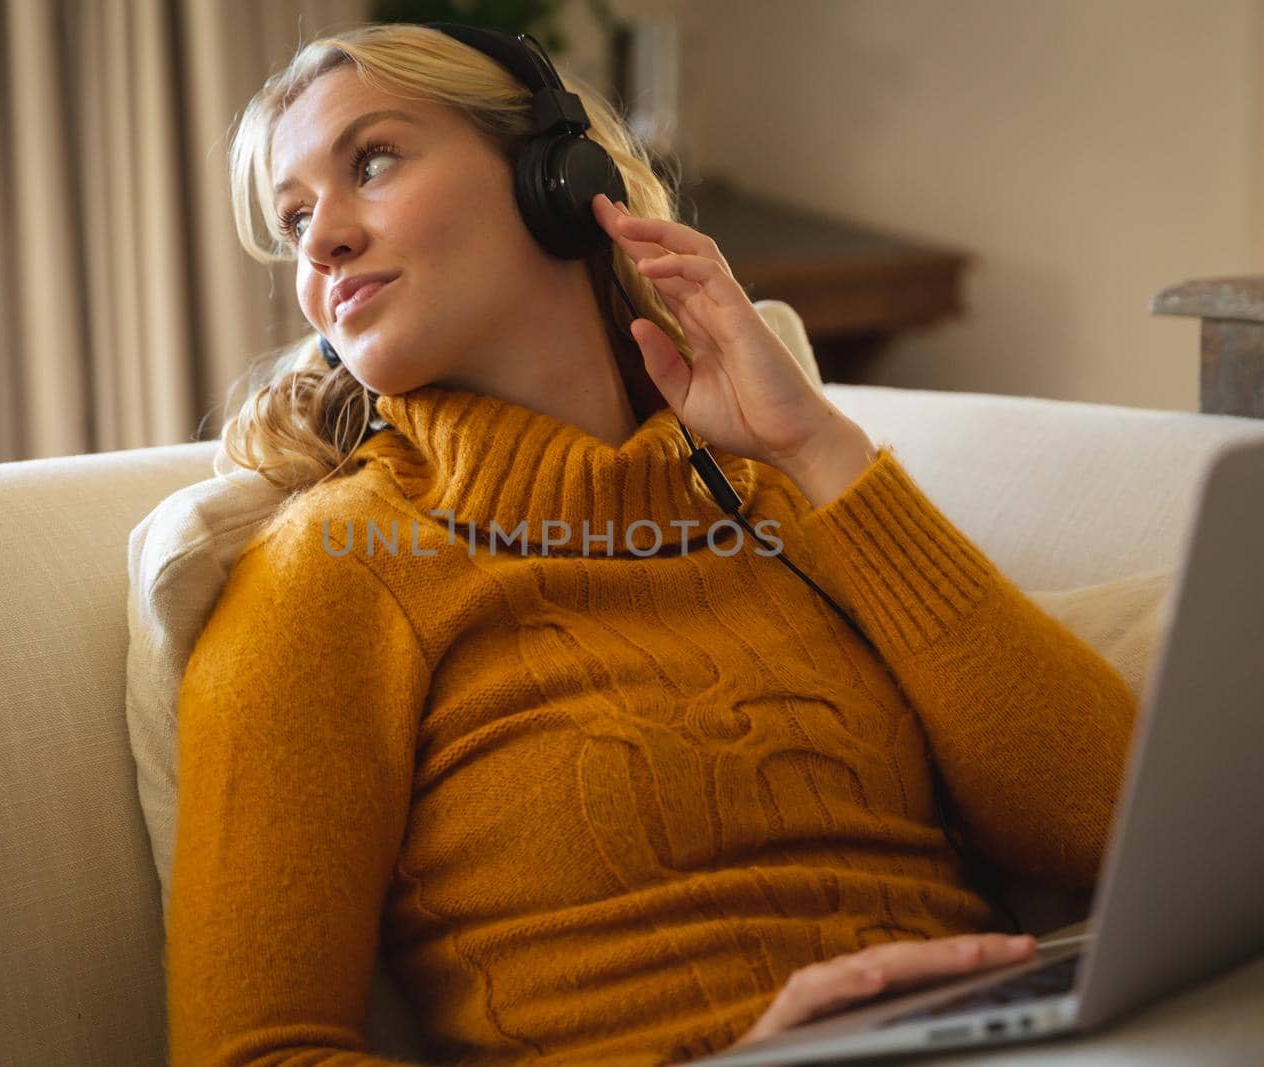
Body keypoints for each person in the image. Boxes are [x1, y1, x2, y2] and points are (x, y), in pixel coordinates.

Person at [166, 20, 1137, 1066]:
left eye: (374, 160)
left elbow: (1107, 820)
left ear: (555, 174)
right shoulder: (330, 575)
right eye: (295, 214)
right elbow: (254, 1053)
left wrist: (820, 448)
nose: (321, 241)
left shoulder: (780, 495)